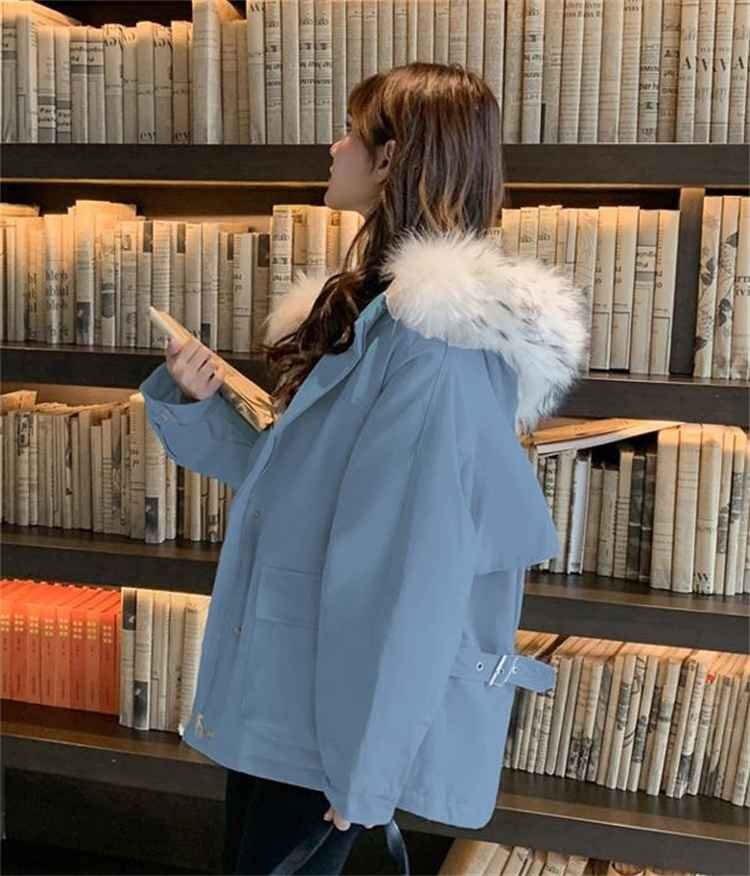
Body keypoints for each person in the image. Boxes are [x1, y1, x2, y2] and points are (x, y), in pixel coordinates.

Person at [140, 62, 589, 875]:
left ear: (391, 159)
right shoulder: (376, 316)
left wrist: (368, 771)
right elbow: (297, 488)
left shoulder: (434, 354)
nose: (334, 145)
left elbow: (414, 574)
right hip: (290, 697)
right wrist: (201, 402)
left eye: (352, 130)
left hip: (328, 725)